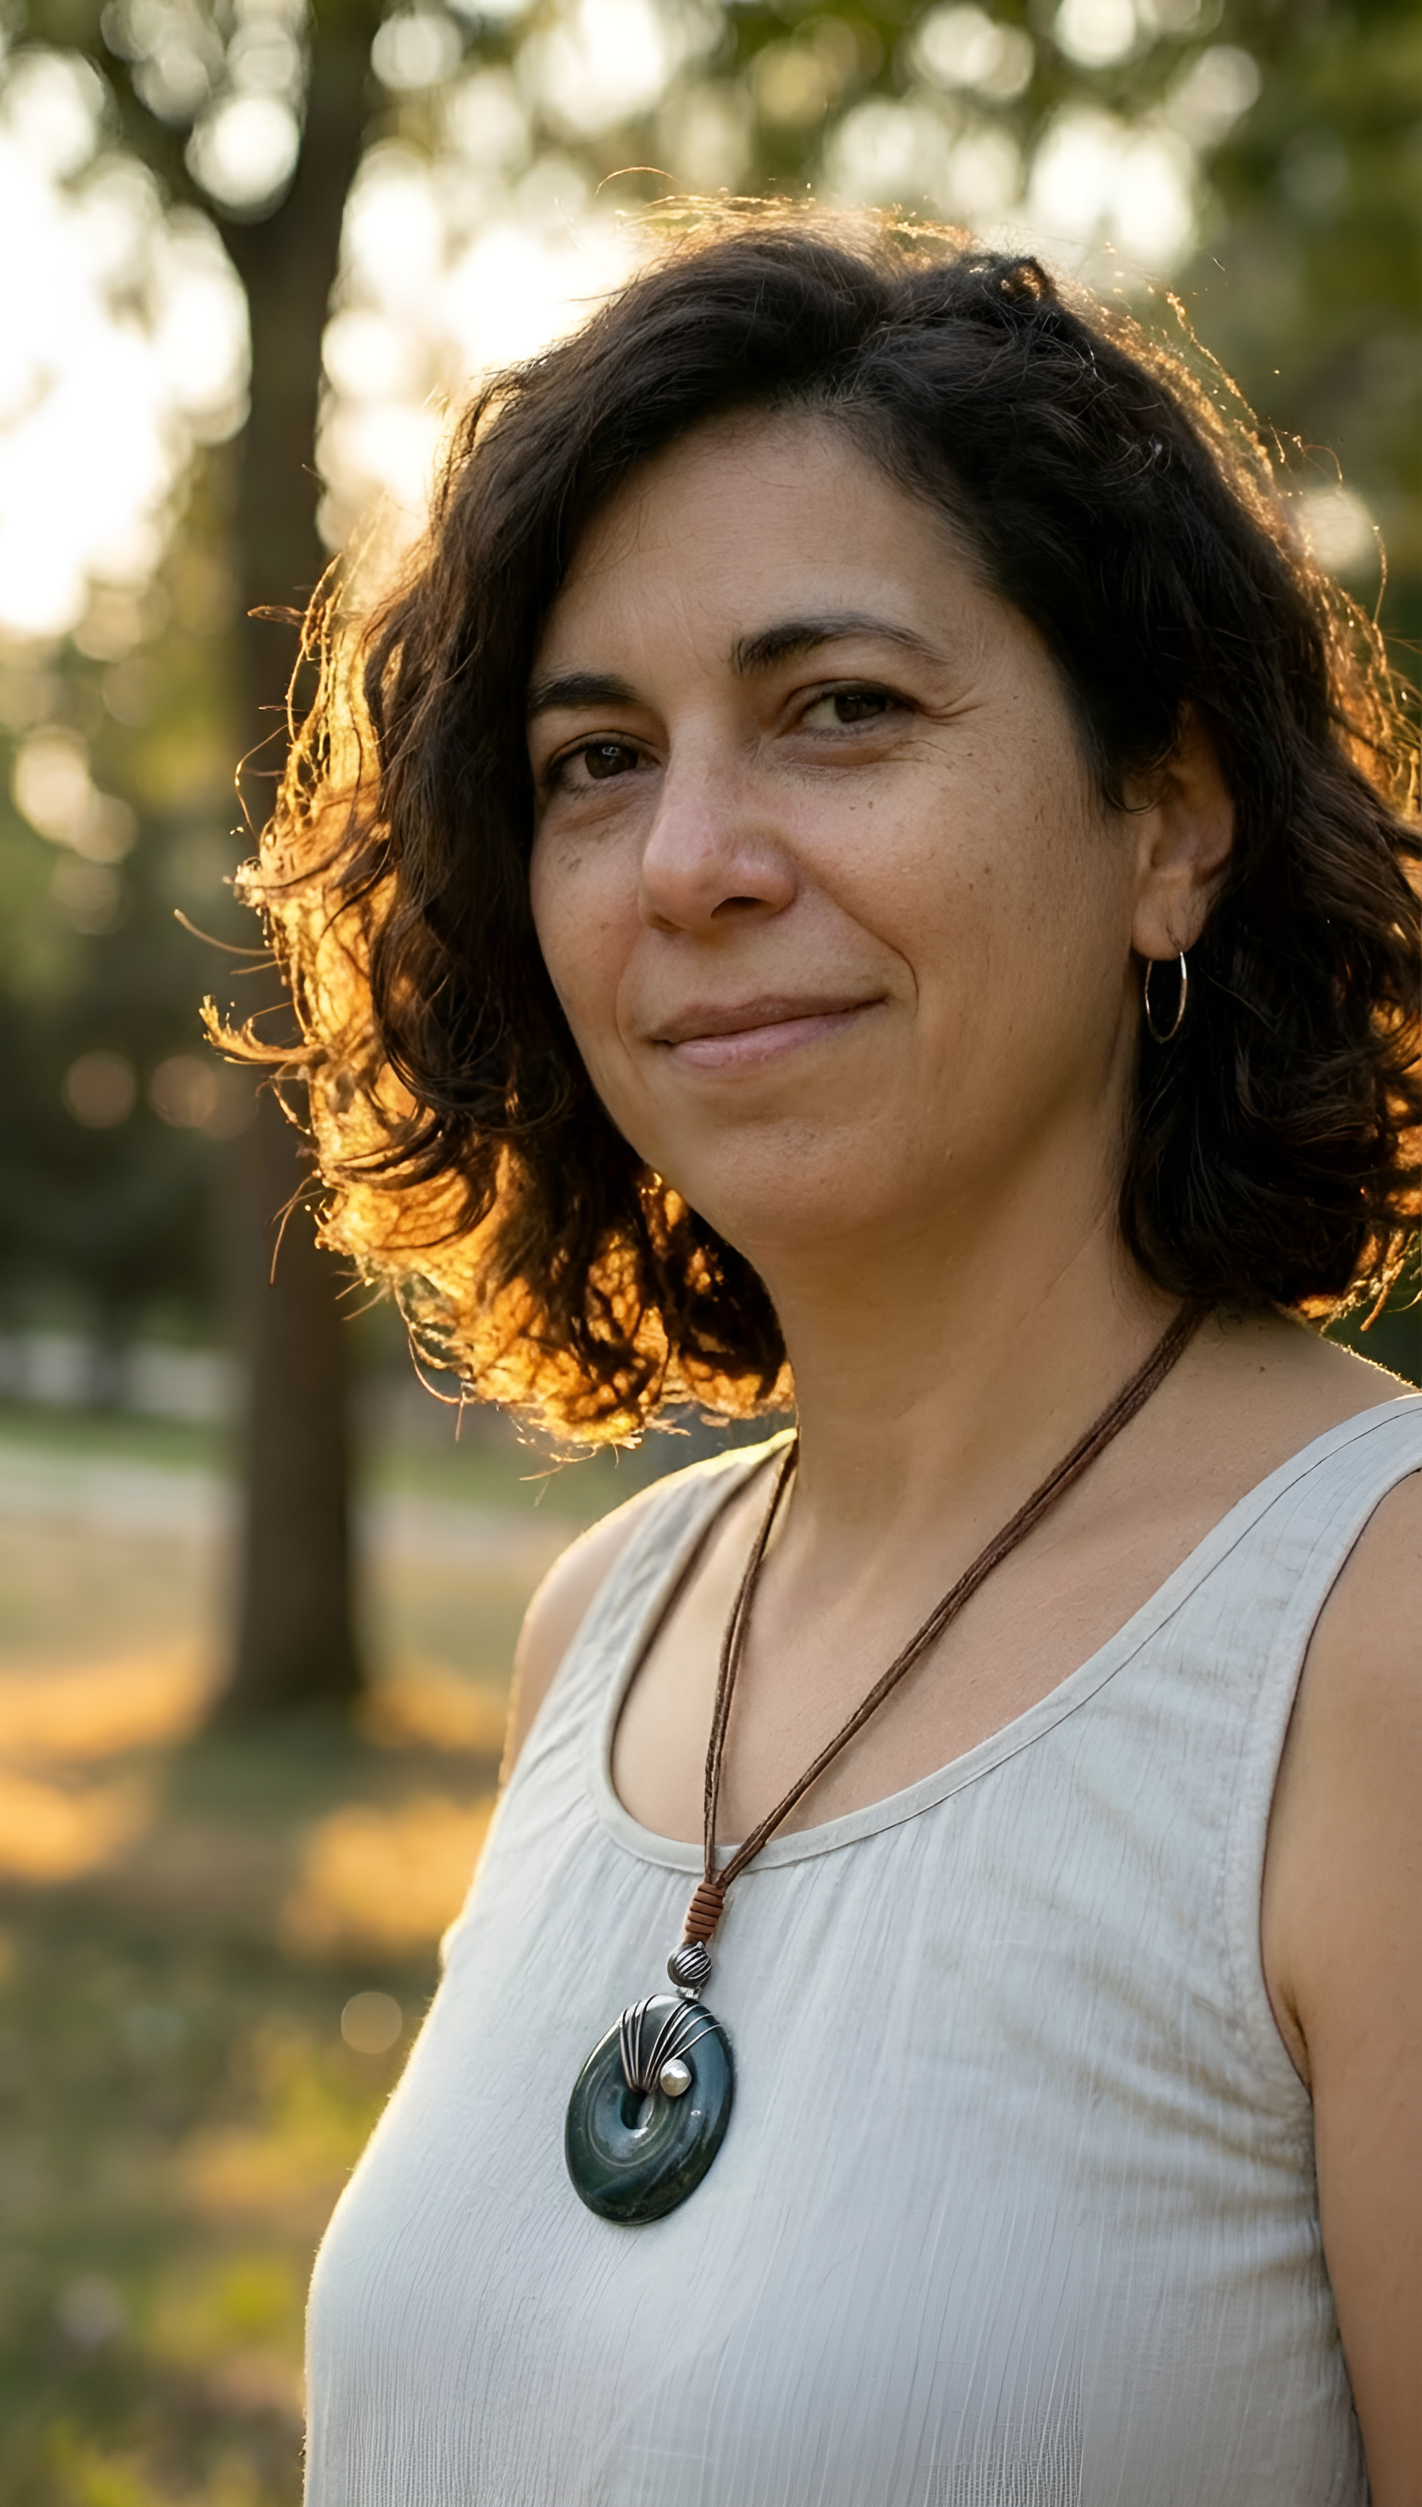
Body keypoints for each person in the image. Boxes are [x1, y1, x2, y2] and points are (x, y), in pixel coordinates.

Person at [244, 215, 1421, 2503]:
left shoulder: (1365, 1648)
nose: (686, 857)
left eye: (839, 710)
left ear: (1165, 818)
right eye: (595, 758)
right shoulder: (606, 1623)